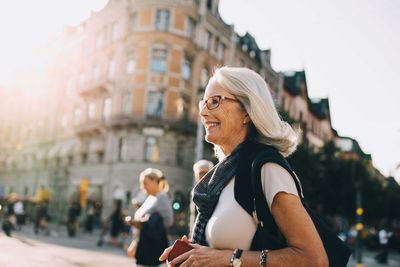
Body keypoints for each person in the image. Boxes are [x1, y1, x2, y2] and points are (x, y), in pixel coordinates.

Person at [160, 67, 328, 267]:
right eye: (203, 103)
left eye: (215, 101)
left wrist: (229, 258)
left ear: (247, 112)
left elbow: (314, 260)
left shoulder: (267, 169)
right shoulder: (223, 175)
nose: (203, 112)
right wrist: (195, 253)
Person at [127, 168, 173, 267]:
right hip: (143, 244)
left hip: (152, 246)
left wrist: (144, 223)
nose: (142, 186)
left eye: (145, 183)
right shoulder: (150, 198)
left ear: (154, 181)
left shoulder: (162, 197)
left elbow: (168, 221)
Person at [189, 160, 214, 234]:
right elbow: (193, 215)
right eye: (200, 173)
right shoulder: (194, 191)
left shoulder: (213, 190)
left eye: (205, 173)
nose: (203, 176)